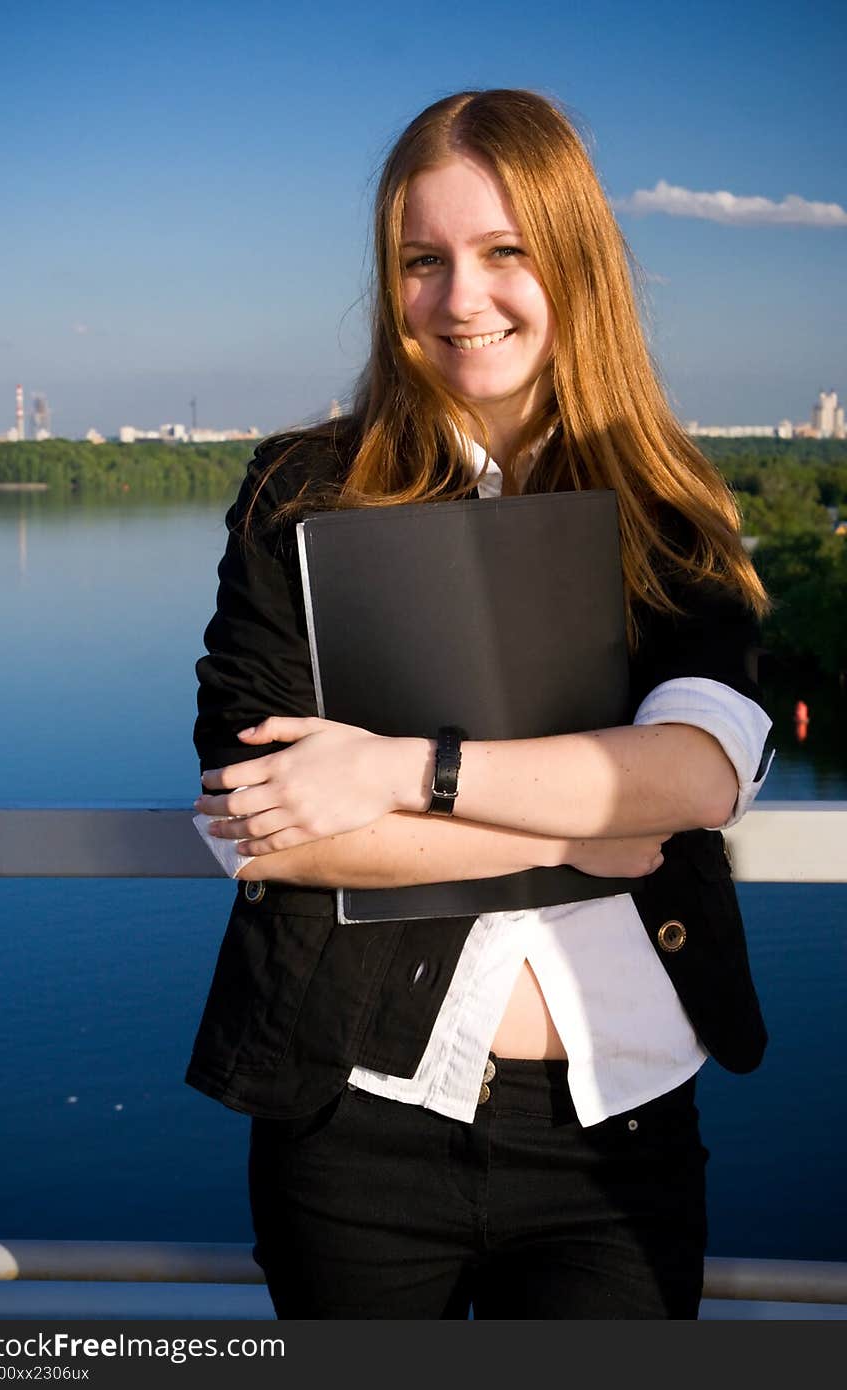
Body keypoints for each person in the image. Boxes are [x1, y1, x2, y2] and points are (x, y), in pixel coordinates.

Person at [187, 88, 774, 1320]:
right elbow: (255, 817)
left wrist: (402, 772)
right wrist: (585, 833)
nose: (461, 298)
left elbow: (694, 775)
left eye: (505, 252)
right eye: (422, 260)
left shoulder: (666, 507)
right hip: (353, 1117)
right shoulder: (303, 490)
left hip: (617, 1127)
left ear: (575, 263)